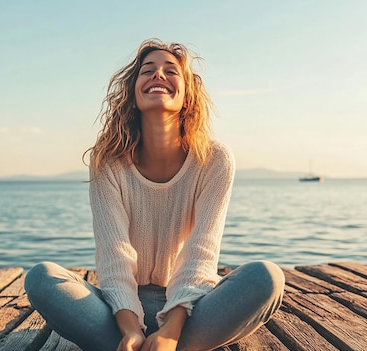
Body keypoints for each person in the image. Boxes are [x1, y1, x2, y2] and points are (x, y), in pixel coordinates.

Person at [24, 39, 285, 351]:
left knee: (267, 277)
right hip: (117, 309)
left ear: (187, 95)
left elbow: (201, 255)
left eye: (170, 71)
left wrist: (170, 333)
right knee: (42, 278)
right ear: (133, 93)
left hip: (189, 307)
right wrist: (131, 330)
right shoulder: (108, 161)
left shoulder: (214, 159)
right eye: (147, 71)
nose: (158, 75)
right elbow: (114, 258)